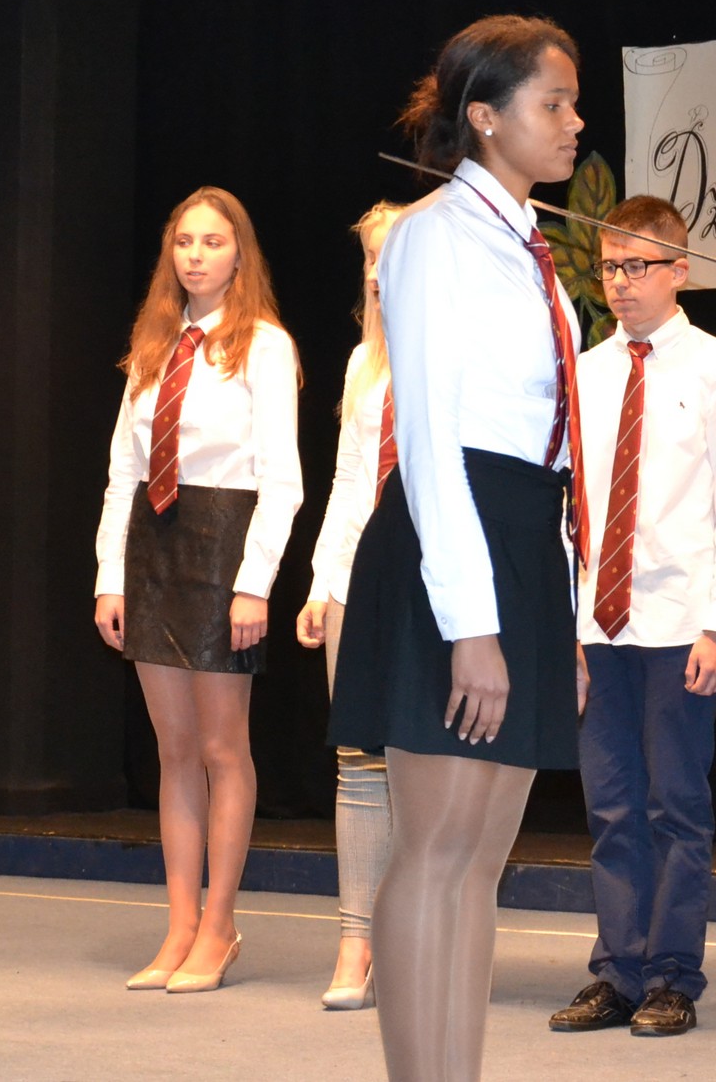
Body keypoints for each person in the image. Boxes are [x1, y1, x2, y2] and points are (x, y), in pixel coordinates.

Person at [328, 14, 590, 1082]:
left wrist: (560, 622)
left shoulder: (529, 249)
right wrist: (470, 624)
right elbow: (431, 439)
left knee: (478, 863)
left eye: (573, 103)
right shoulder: (432, 235)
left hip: (522, 542)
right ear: (483, 116)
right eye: (553, 103)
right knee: (433, 852)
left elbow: (555, 449)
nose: (573, 122)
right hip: (454, 546)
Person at [547, 195, 716, 1040]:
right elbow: (567, 510)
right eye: (610, 266)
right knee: (610, 805)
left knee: (675, 805)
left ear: (681, 270)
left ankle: (672, 973)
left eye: (637, 265)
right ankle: (618, 968)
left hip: (681, 622)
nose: (620, 281)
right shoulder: (585, 372)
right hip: (599, 624)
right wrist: (568, 626)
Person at [93, 186, 303, 994]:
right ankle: (179, 923)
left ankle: (220, 924)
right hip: (153, 546)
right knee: (174, 750)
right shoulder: (154, 343)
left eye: (213, 241)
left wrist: (254, 585)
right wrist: (110, 576)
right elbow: (122, 473)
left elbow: (282, 480)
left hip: (223, 545)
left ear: (239, 253)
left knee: (222, 748)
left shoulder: (265, 346)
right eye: (184, 241)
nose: (196, 255)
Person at [296, 200, 408, 1010]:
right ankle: (355, 940)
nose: (375, 271)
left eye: (389, 253)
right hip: (356, 583)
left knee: (424, 770)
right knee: (359, 764)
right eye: (368, 256)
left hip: (430, 585)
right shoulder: (362, 361)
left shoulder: (458, 351)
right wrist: (321, 580)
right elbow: (345, 478)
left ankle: (414, 935)